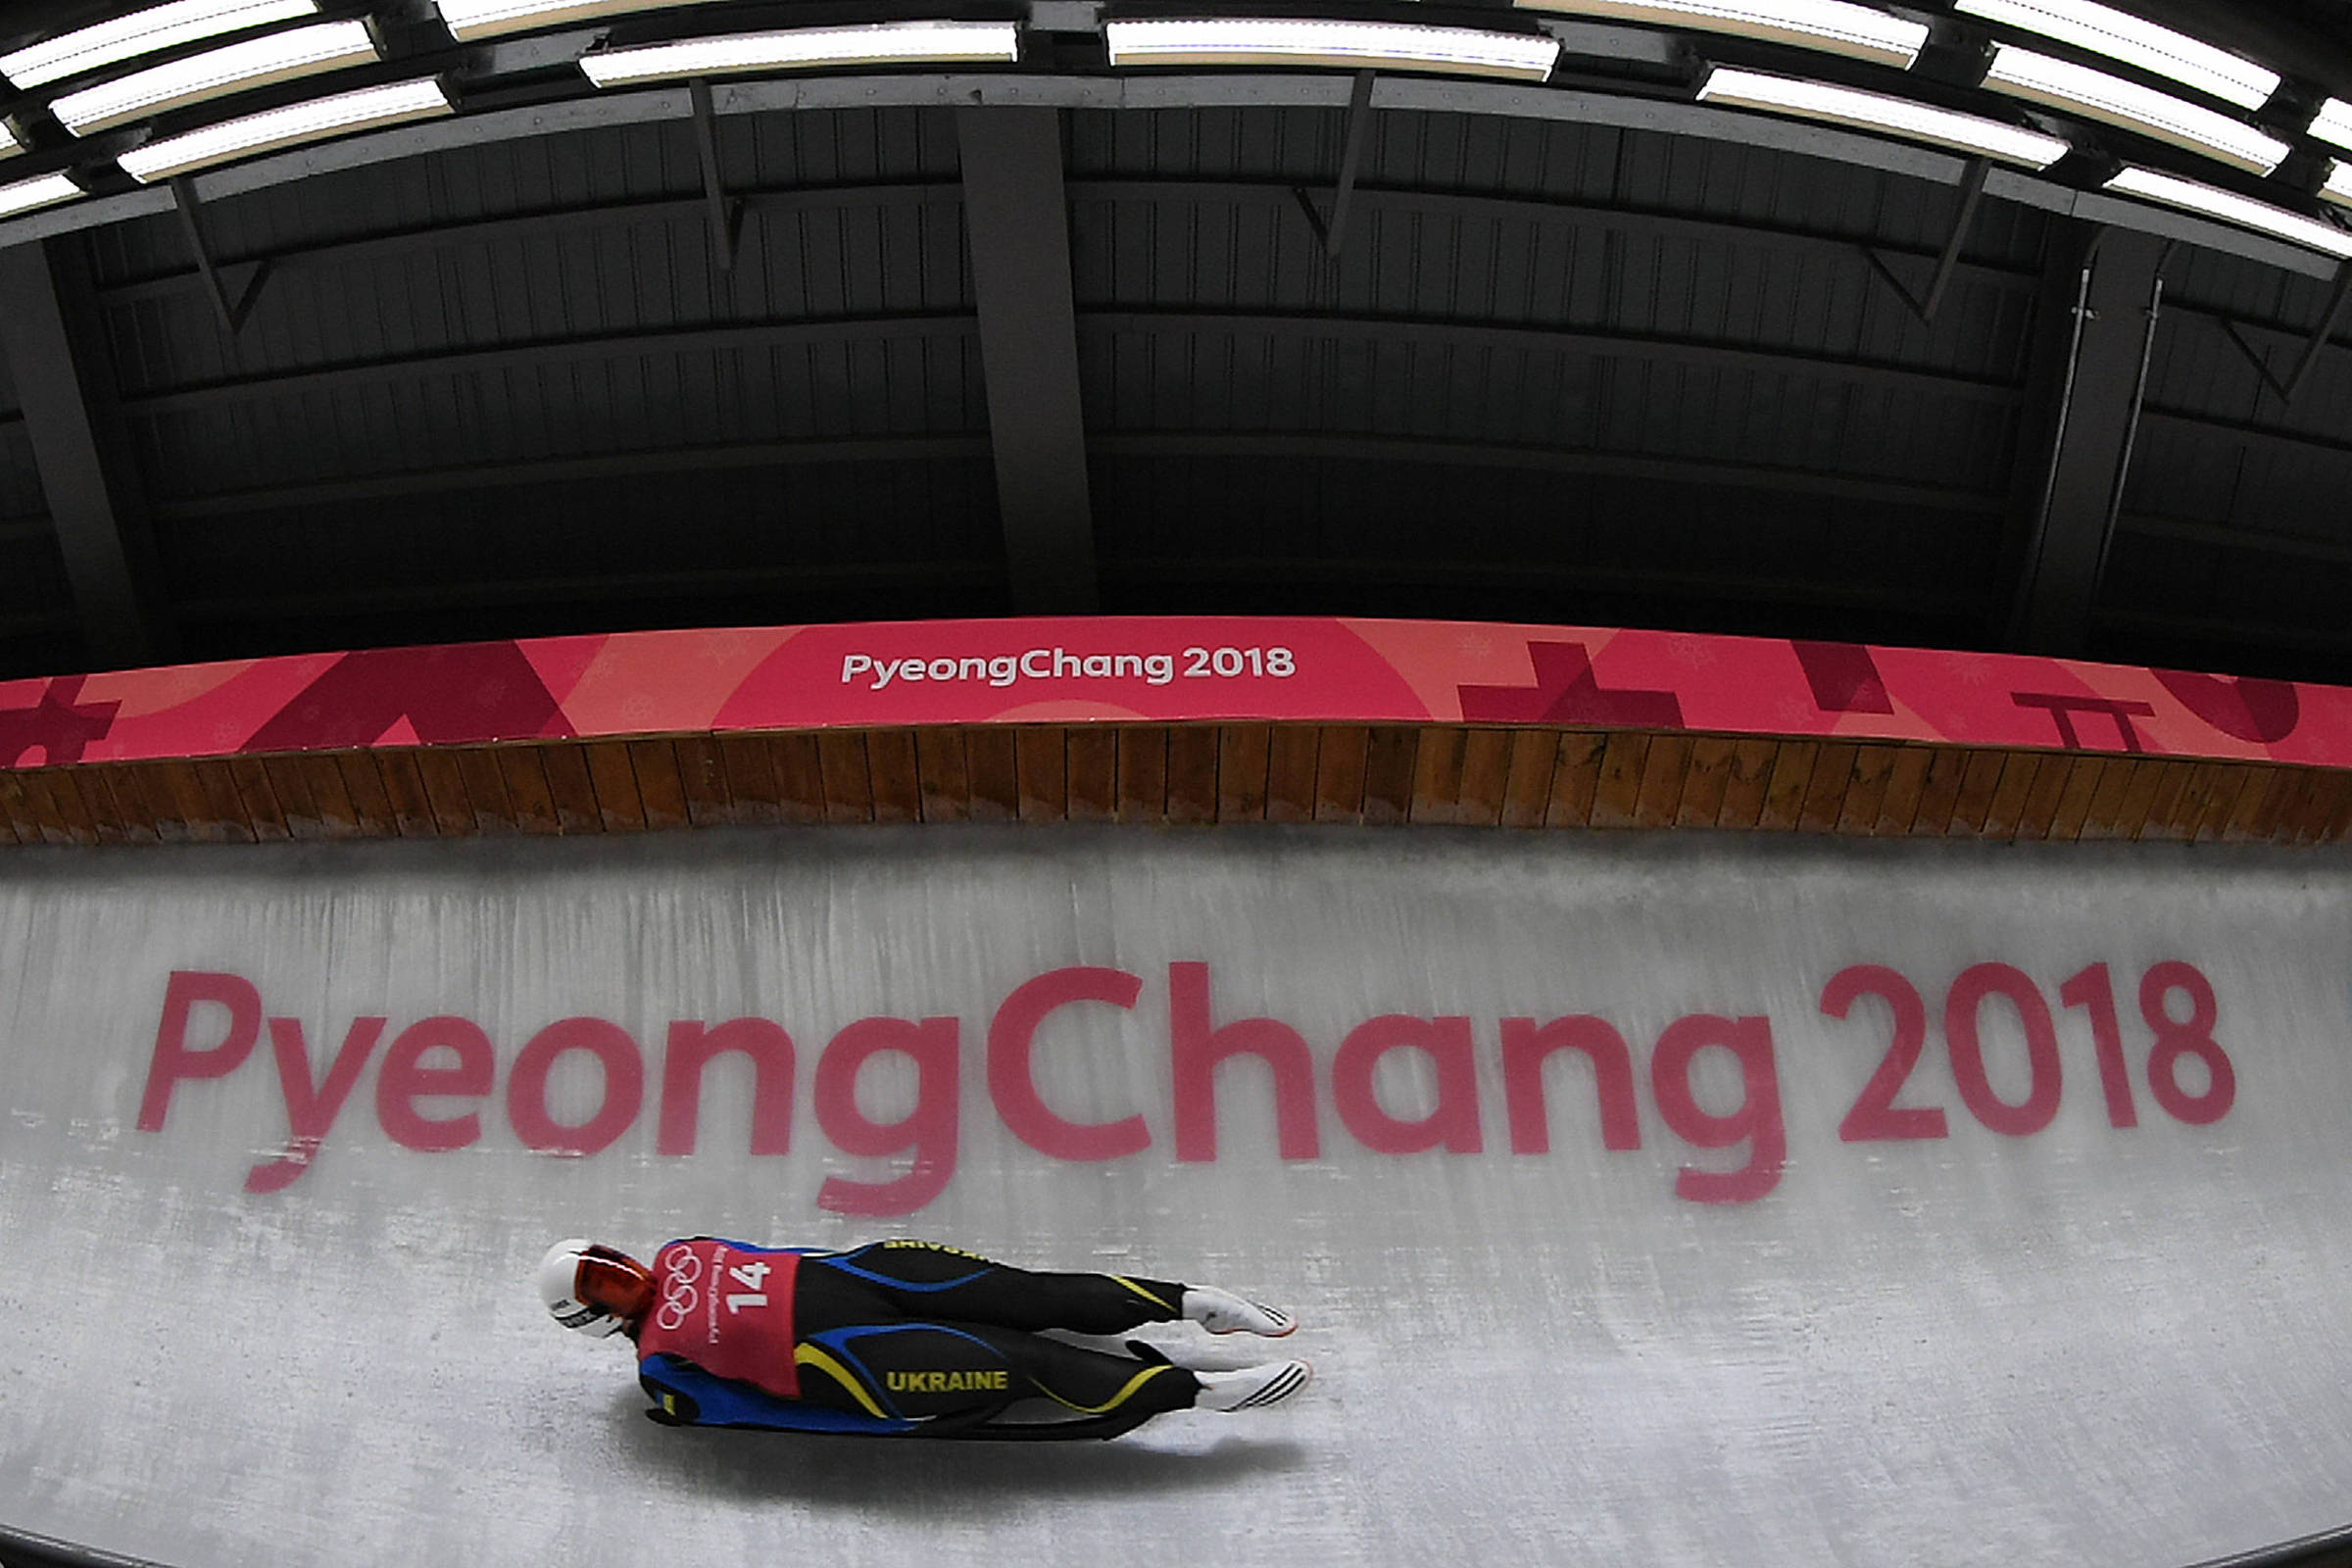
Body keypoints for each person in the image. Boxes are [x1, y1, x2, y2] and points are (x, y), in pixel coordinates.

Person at [538, 1235, 1310, 1438]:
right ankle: (1201, 1393)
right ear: (592, 1315)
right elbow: (765, 1413)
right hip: (852, 1364)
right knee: (1024, 1361)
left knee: (1024, 1293)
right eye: (603, 1282)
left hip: (869, 1276)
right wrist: (887, 1423)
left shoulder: (682, 1250)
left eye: (613, 1262)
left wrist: (855, 1260)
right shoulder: (662, 1372)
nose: (627, 1276)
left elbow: (782, 1252)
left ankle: (1194, 1302)